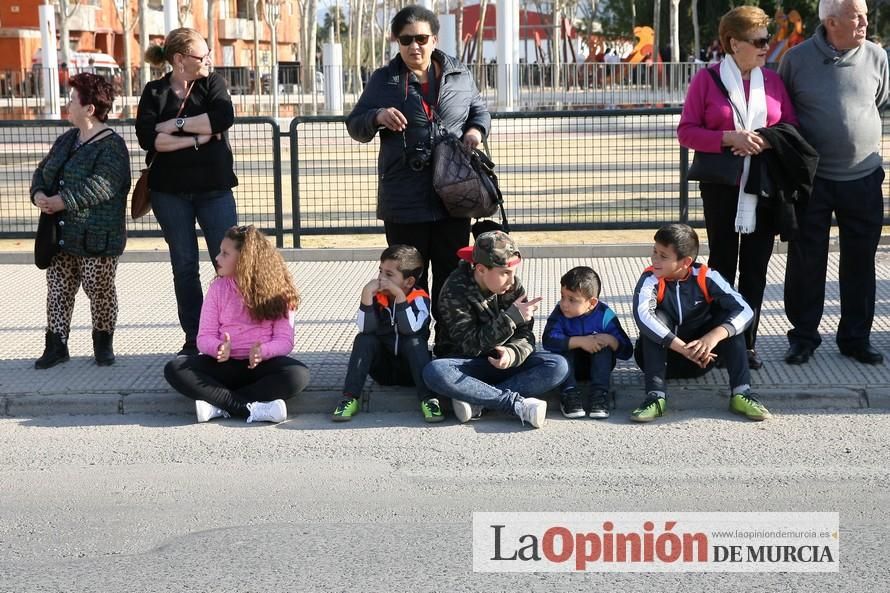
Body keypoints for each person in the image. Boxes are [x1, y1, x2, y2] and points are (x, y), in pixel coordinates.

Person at [346, 5, 491, 321]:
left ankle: (448, 349)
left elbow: (480, 110)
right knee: (408, 279)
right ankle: (410, 349)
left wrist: (476, 131)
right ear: (397, 42)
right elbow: (354, 123)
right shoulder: (384, 80)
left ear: (434, 39)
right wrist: (377, 116)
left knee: (451, 274)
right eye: (406, 39)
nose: (415, 46)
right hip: (404, 198)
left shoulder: (459, 75)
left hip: (454, 194)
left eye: (421, 38)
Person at [677, 6, 799, 371]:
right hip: (722, 187)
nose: (767, 47)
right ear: (734, 43)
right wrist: (728, 137)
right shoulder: (706, 80)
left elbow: (791, 127)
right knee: (723, 266)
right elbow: (686, 131)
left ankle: (746, 344)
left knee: (757, 268)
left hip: (764, 186)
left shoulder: (774, 81)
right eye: (759, 40)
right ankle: (718, 340)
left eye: (768, 39)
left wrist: (768, 140)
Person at [778, 0, 889, 366]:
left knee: (860, 261)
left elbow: (879, 101)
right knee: (806, 261)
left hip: (863, 177)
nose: (864, 22)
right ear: (830, 21)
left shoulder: (876, 56)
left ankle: (856, 338)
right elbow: (785, 113)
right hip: (813, 180)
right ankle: (804, 338)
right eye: (856, 16)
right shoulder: (796, 60)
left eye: (865, 15)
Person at [135, 27, 239, 356]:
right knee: (184, 265)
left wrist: (176, 126)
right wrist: (198, 136)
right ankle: (195, 336)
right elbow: (150, 139)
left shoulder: (212, 84)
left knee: (229, 263)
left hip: (215, 190)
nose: (209, 59)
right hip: (170, 193)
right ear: (179, 60)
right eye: (202, 55)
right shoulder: (154, 92)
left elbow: (223, 118)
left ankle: (232, 330)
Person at [30, 73, 131, 369]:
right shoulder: (66, 140)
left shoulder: (112, 146)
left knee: (99, 290)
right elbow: (43, 171)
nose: (68, 103)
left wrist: (62, 201)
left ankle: (103, 343)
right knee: (58, 289)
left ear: (89, 109)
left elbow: (103, 185)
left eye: (73, 99)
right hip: (61, 235)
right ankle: (56, 345)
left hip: (97, 236)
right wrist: (38, 194)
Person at [422, 231, 569, 429]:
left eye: (513, 272)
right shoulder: (454, 290)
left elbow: (526, 335)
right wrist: (509, 319)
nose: (511, 280)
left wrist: (513, 352)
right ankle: (515, 404)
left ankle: (478, 401)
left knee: (558, 365)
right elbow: (469, 346)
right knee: (435, 371)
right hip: (467, 366)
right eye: (504, 273)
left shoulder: (512, 286)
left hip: (504, 364)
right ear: (481, 270)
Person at [164, 225, 310, 424]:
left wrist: (263, 351)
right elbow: (203, 337)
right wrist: (218, 348)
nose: (217, 258)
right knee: (175, 368)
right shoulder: (218, 288)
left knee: (298, 375)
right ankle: (250, 408)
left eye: (225, 254)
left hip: (260, 367)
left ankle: (218, 405)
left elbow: (285, 341)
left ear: (244, 261)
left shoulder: (280, 293)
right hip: (224, 366)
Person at [631, 224, 771, 423]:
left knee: (728, 321)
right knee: (656, 320)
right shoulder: (650, 278)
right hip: (657, 361)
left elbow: (745, 309)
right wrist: (681, 348)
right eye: (654, 252)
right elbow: (641, 315)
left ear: (686, 262)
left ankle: (742, 393)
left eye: (663, 256)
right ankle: (655, 397)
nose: (655, 259)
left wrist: (712, 337)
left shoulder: (706, 276)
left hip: (701, 360)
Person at [332, 244, 442, 423]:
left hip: (411, 372)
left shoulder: (419, 299)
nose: (381, 278)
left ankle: (429, 399)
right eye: (380, 271)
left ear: (409, 282)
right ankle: (349, 398)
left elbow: (410, 329)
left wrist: (399, 297)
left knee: (414, 342)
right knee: (364, 339)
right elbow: (365, 328)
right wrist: (366, 296)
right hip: (383, 371)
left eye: (389, 275)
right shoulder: (377, 297)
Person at [542, 266, 633, 420]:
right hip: (570, 369)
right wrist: (579, 341)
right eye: (562, 296)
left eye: (572, 300)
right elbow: (548, 340)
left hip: (597, 367)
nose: (564, 304)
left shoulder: (605, 315)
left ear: (592, 302)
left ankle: (600, 395)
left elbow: (627, 351)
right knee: (564, 347)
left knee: (603, 347)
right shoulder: (560, 313)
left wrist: (611, 340)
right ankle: (569, 394)